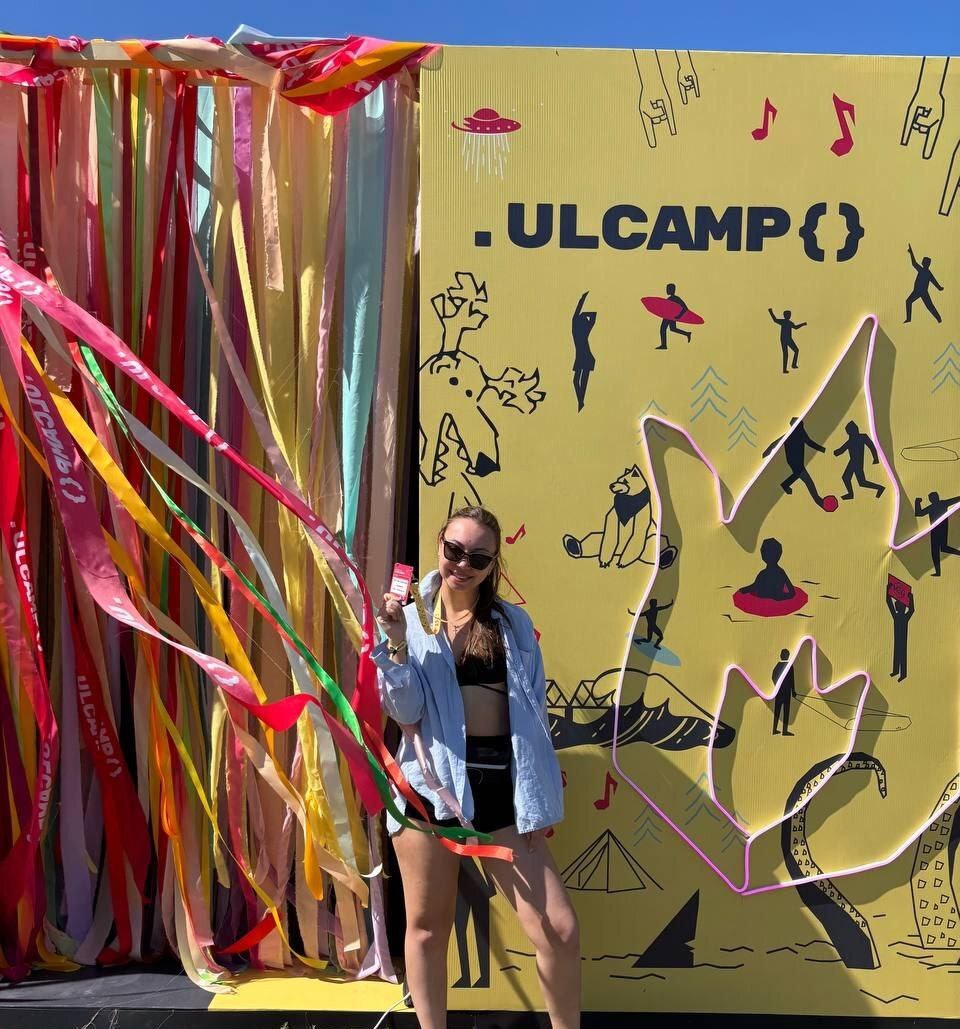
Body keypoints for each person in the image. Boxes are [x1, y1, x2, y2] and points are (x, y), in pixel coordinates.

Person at [373, 506, 579, 1029]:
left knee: (558, 928)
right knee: (427, 928)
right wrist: (395, 644)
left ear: (492, 564)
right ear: (439, 544)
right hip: (431, 790)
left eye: (478, 558)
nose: (462, 564)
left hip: (501, 790)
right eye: (455, 551)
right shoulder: (409, 619)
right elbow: (405, 713)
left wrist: (536, 795)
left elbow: (533, 713)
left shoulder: (511, 623)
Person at [833, 420, 885, 500]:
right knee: (849, 478)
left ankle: (879, 488)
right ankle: (851, 494)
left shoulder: (862, 437)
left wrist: (875, 458)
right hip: (853, 461)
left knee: (860, 481)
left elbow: (871, 446)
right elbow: (841, 450)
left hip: (857, 462)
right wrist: (836, 452)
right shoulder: (851, 440)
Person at [914, 491, 960, 576]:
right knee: (938, 550)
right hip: (935, 530)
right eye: (931, 498)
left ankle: (938, 572)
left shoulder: (943, 503)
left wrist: (917, 502)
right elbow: (919, 514)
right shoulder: (935, 506)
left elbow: (956, 499)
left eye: (933, 498)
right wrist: (917, 502)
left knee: (942, 548)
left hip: (941, 529)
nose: (933, 499)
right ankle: (938, 572)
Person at [571, 291, 597, 412]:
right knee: (578, 380)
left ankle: (581, 402)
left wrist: (582, 301)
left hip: (584, 355)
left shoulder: (576, 328)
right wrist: (585, 312)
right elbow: (593, 316)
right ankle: (581, 401)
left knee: (579, 380)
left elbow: (590, 315)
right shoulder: (584, 329)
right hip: (584, 355)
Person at [904, 244, 943, 324]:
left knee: (928, 306)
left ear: (925, 263)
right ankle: (909, 319)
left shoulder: (924, 271)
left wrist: (911, 253)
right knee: (911, 302)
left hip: (921, 291)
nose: (922, 262)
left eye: (923, 261)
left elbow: (914, 263)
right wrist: (939, 288)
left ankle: (939, 319)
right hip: (918, 291)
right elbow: (914, 263)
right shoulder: (925, 271)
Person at [886, 589, 915, 681]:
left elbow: (912, 610)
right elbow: (889, 603)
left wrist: (911, 598)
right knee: (897, 654)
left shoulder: (904, 617)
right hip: (897, 638)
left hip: (902, 639)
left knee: (902, 655)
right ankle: (895, 671)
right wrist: (888, 590)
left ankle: (903, 674)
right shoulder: (896, 616)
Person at [768, 308, 806, 374]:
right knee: (787, 353)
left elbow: (795, 327)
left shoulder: (790, 323)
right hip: (784, 339)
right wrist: (770, 312)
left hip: (788, 338)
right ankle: (785, 369)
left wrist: (802, 324)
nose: (789, 316)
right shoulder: (783, 322)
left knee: (795, 350)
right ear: (785, 315)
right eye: (789, 315)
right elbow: (775, 320)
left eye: (790, 314)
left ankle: (793, 365)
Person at [657, 283, 692, 349]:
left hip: (669, 317)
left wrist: (679, 316)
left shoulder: (676, 298)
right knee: (673, 329)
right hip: (669, 316)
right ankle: (687, 333)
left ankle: (664, 345)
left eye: (668, 289)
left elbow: (685, 308)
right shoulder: (670, 298)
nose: (666, 290)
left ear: (672, 290)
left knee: (662, 329)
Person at [771, 648, 797, 735]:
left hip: (779, 692)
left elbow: (773, 676)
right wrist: (793, 691)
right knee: (786, 711)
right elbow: (792, 680)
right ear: (787, 656)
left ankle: (774, 729)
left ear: (781, 656)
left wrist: (777, 685)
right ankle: (784, 731)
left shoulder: (778, 665)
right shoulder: (789, 666)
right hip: (786, 692)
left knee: (777, 710)